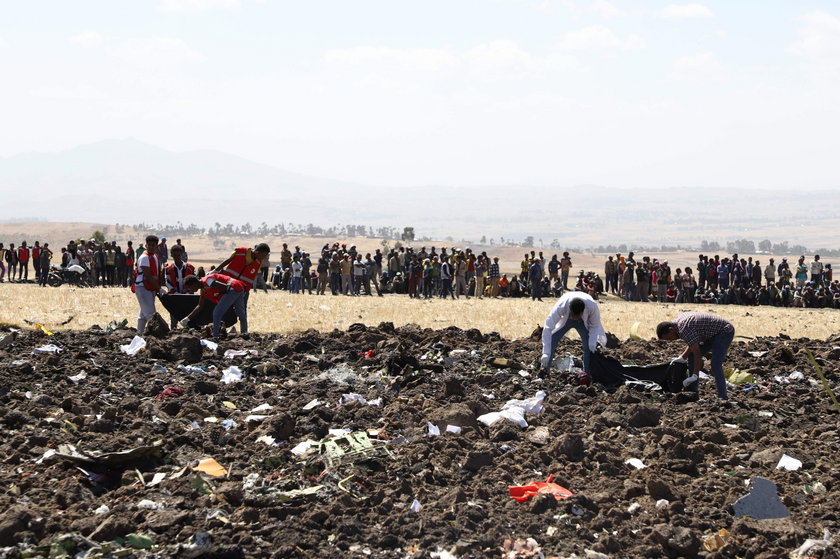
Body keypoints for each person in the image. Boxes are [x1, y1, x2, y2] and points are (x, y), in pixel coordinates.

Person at [657, 312, 735, 400]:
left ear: (671, 330)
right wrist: (682, 357)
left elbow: (697, 353)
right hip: (710, 333)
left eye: (669, 338)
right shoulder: (677, 325)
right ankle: (693, 392)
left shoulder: (684, 329)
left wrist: (694, 375)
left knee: (715, 364)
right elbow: (693, 343)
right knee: (691, 356)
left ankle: (723, 397)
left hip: (724, 331)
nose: (670, 341)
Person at [539, 292, 606, 377]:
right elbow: (548, 328)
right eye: (574, 315)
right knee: (553, 339)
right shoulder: (562, 306)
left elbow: (595, 325)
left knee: (587, 347)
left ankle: (587, 374)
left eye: (577, 316)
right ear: (570, 309)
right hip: (567, 320)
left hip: (582, 322)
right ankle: (544, 370)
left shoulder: (592, 306)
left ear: (582, 312)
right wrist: (546, 352)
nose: (575, 318)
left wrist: (592, 342)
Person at [181, 273, 248, 338]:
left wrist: (219, 295)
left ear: (194, 284)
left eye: (189, 288)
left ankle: (215, 336)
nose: (189, 290)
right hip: (238, 287)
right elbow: (200, 306)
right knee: (241, 313)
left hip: (232, 288)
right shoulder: (204, 289)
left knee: (217, 313)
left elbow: (225, 287)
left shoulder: (207, 280)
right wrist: (187, 318)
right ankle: (244, 333)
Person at [134, 235, 161, 334]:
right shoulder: (144, 258)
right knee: (151, 314)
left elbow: (157, 274)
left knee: (142, 315)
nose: (150, 247)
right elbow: (148, 276)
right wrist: (159, 288)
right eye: (149, 245)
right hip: (143, 287)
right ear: (146, 245)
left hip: (150, 288)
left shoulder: (155, 257)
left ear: (156, 246)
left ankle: (139, 334)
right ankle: (153, 336)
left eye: (153, 245)